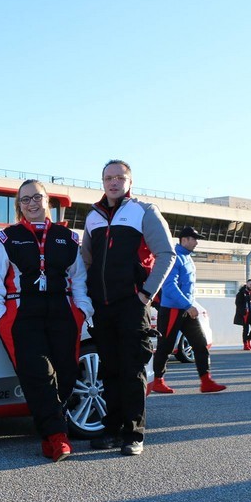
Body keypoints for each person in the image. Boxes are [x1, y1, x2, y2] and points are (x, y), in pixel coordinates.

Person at [0, 179, 92, 462]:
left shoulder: (69, 239)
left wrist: (82, 309)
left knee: (67, 373)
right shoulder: (5, 238)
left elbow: (78, 279)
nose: (32, 203)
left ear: (47, 201)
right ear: (19, 205)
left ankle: (51, 428)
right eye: (25, 199)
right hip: (21, 311)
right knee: (38, 374)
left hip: (62, 310)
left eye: (37, 198)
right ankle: (57, 437)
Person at [81, 160, 175, 457]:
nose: (113, 182)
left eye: (119, 177)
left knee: (132, 370)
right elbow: (86, 260)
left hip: (132, 305)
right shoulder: (93, 217)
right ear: (102, 182)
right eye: (108, 178)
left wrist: (146, 294)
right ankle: (111, 430)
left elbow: (166, 254)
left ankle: (134, 434)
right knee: (109, 370)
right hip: (102, 306)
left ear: (129, 181)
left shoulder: (144, 211)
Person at [147, 226, 225, 395]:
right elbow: (169, 287)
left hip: (187, 309)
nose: (197, 242)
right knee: (165, 347)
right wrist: (187, 305)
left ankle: (206, 381)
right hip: (173, 309)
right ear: (184, 240)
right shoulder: (175, 257)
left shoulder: (188, 258)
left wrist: (190, 305)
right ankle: (158, 381)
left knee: (200, 343)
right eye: (194, 239)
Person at [234, 279, 251, 350]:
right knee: (246, 329)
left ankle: (248, 340)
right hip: (245, 314)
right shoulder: (241, 293)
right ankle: (245, 344)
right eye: (250, 284)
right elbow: (238, 304)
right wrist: (243, 312)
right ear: (246, 284)